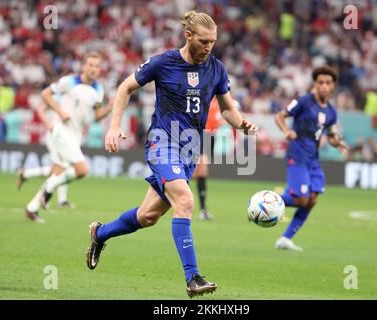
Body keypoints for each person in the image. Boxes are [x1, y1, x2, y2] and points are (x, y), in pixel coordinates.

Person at [85, 11, 257, 298]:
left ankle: (99, 233)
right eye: (204, 41)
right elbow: (125, 87)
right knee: (186, 201)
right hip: (162, 143)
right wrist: (113, 126)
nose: (208, 47)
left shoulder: (217, 68)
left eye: (213, 42)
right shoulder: (163, 62)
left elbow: (227, 108)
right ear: (188, 36)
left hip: (190, 150)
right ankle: (193, 278)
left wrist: (242, 124)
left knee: (147, 216)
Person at [24, 52, 112, 223]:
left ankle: (31, 208)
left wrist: (110, 106)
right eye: (90, 65)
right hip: (60, 131)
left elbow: (98, 116)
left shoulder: (98, 90)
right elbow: (45, 94)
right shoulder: (69, 81)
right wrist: (59, 112)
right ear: (83, 66)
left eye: (97, 66)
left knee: (57, 172)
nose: (93, 69)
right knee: (82, 170)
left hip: (75, 134)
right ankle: (48, 189)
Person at [274, 66, 349, 251]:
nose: (323, 86)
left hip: (313, 159)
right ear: (315, 84)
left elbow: (330, 135)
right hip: (297, 154)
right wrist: (287, 131)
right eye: (320, 82)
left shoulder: (331, 111)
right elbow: (280, 116)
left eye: (327, 83)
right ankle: (268, 200)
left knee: (312, 200)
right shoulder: (303, 101)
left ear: (333, 86)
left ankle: (285, 239)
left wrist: (337, 143)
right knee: (301, 200)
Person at [17, 100, 75, 209]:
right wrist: (49, 123)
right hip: (56, 137)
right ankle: (58, 199)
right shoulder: (60, 93)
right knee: (62, 168)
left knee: (59, 169)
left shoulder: (70, 96)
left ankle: (26, 174)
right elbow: (42, 108)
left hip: (63, 137)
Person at [192, 98, 224, 220]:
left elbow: (221, 118)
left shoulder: (218, 99)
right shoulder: (202, 96)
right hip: (199, 134)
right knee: (201, 172)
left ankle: (202, 209)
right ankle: (202, 209)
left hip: (210, 136)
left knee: (199, 174)